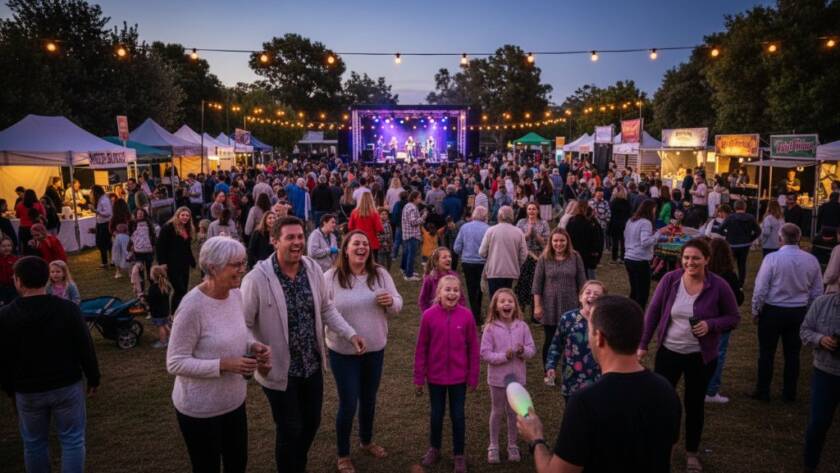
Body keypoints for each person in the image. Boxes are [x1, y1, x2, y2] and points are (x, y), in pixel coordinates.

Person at [240, 216, 365, 473]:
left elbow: (326, 308)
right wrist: (254, 347)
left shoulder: (311, 268)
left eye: (300, 237)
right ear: (274, 241)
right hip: (279, 370)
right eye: (290, 237)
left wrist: (350, 334)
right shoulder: (256, 279)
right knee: (289, 428)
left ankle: (297, 463)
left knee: (311, 423)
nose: (298, 242)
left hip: (312, 365)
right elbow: (241, 324)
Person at [517, 295, 681, 473]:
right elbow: (667, 455)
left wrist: (536, 438)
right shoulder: (666, 391)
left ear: (599, 338)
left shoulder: (585, 402)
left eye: (589, 330)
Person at [166, 237, 272, 473]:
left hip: (234, 402)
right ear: (213, 267)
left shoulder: (236, 295)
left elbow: (239, 333)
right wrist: (223, 365)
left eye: (243, 262)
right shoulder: (192, 307)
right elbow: (175, 362)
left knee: (237, 464)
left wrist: (253, 345)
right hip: (200, 410)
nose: (242, 269)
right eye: (236, 264)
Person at [639, 238, 740, 472]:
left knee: (694, 405)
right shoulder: (670, 280)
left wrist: (711, 324)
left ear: (707, 259)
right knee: (665, 402)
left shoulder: (718, 285)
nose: (690, 262)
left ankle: (692, 452)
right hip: (669, 353)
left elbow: (733, 318)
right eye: (686, 258)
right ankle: (666, 445)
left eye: (695, 258)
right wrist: (643, 344)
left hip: (700, 356)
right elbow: (653, 313)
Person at [0, 256, 100, 473]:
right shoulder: (67, 309)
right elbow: (85, 346)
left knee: (34, 443)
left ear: (18, 281)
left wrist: (10, 388)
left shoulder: (6, 315)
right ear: (46, 278)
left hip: (28, 390)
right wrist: (93, 377)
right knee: (72, 440)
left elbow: (3, 358)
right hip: (66, 385)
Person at [324, 230, 403, 473]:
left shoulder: (379, 274)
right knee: (348, 402)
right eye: (356, 243)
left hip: (375, 348)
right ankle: (343, 454)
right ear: (345, 249)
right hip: (343, 351)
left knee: (369, 399)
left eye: (365, 244)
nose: (362, 247)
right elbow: (322, 310)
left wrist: (391, 302)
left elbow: (399, 304)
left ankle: (366, 440)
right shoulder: (330, 277)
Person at [751, 223, 824, 402]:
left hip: (773, 310)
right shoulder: (811, 260)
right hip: (798, 311)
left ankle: (763, 390)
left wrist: (756, 309)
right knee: (793, 354)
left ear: (780, 238)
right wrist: (810, 312)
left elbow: (761, 288)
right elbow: (817, 291)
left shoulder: (772, 259)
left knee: (766, 353)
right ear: (799, 238)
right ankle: (789, 393)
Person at [414, 275, 479, 473]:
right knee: (436, 414)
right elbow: (421, 348)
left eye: (455, 290)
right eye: (447, 290)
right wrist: (419, 378)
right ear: (439, 292)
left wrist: (473, 375)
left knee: (458, 416)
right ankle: (434, 448)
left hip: (459, 378)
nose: (451, 293)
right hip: (435, 378)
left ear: (460, 294)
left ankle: (459, 454)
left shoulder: (467, 316)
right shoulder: (428, 316)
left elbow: (473, 349)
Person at [479, 288, 536, 464]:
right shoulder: (489, 329)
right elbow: (485, 354)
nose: (506, 304)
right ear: (495, 307)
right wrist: (505, 356)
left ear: (515, 305)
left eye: (510, 301)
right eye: (502, 301)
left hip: (517, 379)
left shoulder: (523, 326)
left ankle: (513, 445)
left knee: (513, 413)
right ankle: (493, 446)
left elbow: (532, 350)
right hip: (497, 380)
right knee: (497, 411)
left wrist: (522, 351)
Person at [532, 227, 586, 374]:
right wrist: (537, 306)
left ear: (567, 241)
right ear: (551, 242)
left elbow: (582, 282)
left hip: (571, 305)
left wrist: (584, 304)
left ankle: (569, 370)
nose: (558, 244)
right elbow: (537, 284)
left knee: (571, 340)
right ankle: (549, 371)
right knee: (550, 340)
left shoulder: (575, 257)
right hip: (550, 306)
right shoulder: (544, 258)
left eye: (562, 240)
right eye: (555, 240)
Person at [544, 280, 607, 399]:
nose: (592, 296)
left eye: (597, 294)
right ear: (580, 297)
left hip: (598, 379)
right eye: (588, 292)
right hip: (572, 379)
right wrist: (551, 366)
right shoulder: (569, 318)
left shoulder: (606, 322)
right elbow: (556, 345)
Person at [799, 291, 840, 473]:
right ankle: (810, 465)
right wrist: (820, 339)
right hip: (825, 372)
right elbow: (805, 330)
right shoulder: (822, 303)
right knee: (818, 422)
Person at [704, 238, 745, 404]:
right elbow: (737, 299)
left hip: (704, 319)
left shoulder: (703, 272)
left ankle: (703, 387)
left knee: (700, 354)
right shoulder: (729, 276)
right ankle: (710, 391)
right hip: (720, 321)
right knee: (717, 355)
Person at [479, 206, 528, 298]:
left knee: (495, 300)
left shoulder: (491, 230)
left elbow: (482, 252)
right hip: (512, 272)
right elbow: (524, 254)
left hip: (494, 271)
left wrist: (491, 256)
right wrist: (517, 263)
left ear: (499, 216)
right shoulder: (518, 232)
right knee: (508, 299)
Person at [454, 206, 490, 326]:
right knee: (480, 288)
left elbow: (456, 247)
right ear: (485, 216)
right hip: (481, 262)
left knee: (470, 288)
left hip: (467, 262)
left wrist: (463, 253)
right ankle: (476, 314)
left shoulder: (464, 227)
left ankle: (475, 314)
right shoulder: (488, 229)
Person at [156, 207, 196, 313]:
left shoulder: (186, 228)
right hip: (172, 264)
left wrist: (192, 261)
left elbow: (187, 247)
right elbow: (160, 246)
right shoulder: (168, 228)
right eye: (183, 215)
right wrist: (162, 263)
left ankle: (181, 311)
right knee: (179, 289)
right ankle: (174, 313)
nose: (185, 217)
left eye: (187, 216)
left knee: (184, 289)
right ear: (178, 215)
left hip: (184, 264)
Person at [515, 202, 550, 316]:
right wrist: (528, 233)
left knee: (536, 283)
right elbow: (517, 240)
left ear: (538, 211)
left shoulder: (543, 223)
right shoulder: (521, 222)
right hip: (524, 256)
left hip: (538, 257)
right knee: (523, 282)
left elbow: (546, 243)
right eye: (529, 209)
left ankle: (535, 311)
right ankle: (520, 310)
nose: (531, 211)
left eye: (534, 209)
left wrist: (536, 235)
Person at [623, 199, 659, 309]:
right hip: (639, 259)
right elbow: (645, 242)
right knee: (642, 293)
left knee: (634, 290)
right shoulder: (646, 222)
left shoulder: (631, 221)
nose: (655, 212)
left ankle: (630, 312)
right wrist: (658, 234)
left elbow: (626, 236)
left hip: (629, 257)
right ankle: (638, 314)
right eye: (654, 210)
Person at [720, 199, 761, 288]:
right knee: (742, 265)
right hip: (744, 245)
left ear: (735, 208)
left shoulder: (730, 217)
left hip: (732, 244)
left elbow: (720, 229)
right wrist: (750, 239)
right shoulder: (750, 217)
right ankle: (740, 284)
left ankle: (729, 282)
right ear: (745, 207)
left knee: (730, 264)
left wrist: (727, 235)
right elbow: (758, 231)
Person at [419, 246, 465, 312]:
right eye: (444, 257)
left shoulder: (454, 276)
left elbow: (461, 298)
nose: (449, 259)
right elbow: (423, 300)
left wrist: (461, 312)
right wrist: (427, 314)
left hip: (453, 313)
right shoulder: (430, 278)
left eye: (449, 256)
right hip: (436, 315)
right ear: (436, 262)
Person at [565, 200, 603, 280]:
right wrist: (597, 256)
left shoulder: (571, 222)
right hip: (587, 257)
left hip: (574, 255)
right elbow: (598, 242)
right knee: (588, 279)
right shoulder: (591, 223)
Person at [401, 191, 428, 281]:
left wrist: (420, 214)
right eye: (419, 197)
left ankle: (409, 270)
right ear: (414, 198)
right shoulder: (412, 208)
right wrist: (424, 216)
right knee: (411, 255)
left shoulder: (408, 206)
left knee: (408, 253)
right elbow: (413, 222)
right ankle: (409, 275)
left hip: (407, 233)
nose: (420, 199)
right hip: (412, 234)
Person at [348, 191, 384, 258]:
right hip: (372, 242)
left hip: (358, 241)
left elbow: (350, 227)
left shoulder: (354, 212)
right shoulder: (374, 213)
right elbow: (379, 228)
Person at [147, 265, 172, 349]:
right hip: (166, 311)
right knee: (165, 325)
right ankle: (172, 339)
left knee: (161, 326)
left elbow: (151, 300)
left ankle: (163, 342)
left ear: (153, 276)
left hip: (157, 312)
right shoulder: (166, 285)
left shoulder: (153, 288)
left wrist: (145, 300)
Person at [608, 188, 631, 262]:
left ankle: (614, 258)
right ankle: (622, 257)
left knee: (615, 242)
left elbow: (610, 213)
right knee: (623, 241)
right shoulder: (627, 203)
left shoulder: (613, 202)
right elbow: (629, 214)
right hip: (623, 224)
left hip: (614, 223)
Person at [0, 237, 17, 305]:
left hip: (13, 289)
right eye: (3, 246)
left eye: (9, 246)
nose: (6, 248)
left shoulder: (16, 259)